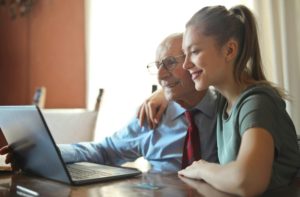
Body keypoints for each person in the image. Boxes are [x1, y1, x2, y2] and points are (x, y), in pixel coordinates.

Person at [139, 5, 300, 196]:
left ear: (229, 50)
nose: (186, 64)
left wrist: (201, 168)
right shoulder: (225, 102)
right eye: (185, 54)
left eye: (195, 52)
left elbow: (246, 181)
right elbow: (193, 95)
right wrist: (163, 94)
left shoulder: (257, 103)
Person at [0, 33, 219, 173]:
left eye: (170, 63)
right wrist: (46, 151)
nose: (160, 74)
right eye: (158, 65)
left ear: (196, 62)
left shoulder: (229, 108)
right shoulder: (152, 115)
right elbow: (105, 151)